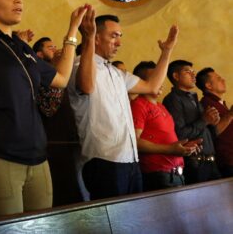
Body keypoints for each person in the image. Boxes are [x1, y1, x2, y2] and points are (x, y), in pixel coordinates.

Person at [0, 0, 88, 218]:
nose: (18, 0)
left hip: (37, 156)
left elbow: (60, 80)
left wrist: (73, 31)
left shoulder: (23, 49)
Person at [68, 14, 179, 200]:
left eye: (120, 36)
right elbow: (87, 86)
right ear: (95, 36)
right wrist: (87, 38)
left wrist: (166, 52)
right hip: (104, 160)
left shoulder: (117, 73)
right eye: (113, 36)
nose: (119, 42)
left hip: (130, 159)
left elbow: (151, 86)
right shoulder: (79, 64)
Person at [130, 61, 199, 191]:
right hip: (157, 174)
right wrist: (170, 149)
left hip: (176, 173)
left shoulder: (161, 106)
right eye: (155, 78)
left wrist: (184, 146)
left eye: (160, 78)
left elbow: (165, 139)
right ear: (141, 83)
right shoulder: (138, 105)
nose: (160, 82)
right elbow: (134, 141)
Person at [163, 60, 221, 184]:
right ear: (176, 76)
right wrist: (204, 120)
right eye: (188, 72)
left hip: (210, 161)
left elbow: (206, 130)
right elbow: (180, 134)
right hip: (194, 163)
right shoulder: (173, 99)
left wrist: (212, 122)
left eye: (193, 72)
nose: (193, 75)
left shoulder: (194, 98)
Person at [196, 67, 233, 177]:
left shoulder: (219, 103)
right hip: (227, 161)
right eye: (218, 78)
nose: (223, 80)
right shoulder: (207, 104)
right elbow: (214, 133)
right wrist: (230, 114)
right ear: (208, 86)